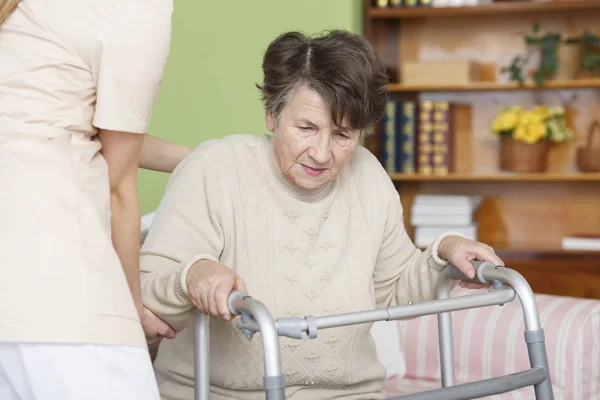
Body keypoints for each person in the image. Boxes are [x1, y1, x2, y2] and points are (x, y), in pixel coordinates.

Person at [139, 30, 504, 400]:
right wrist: (195, 274)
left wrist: (445, 252)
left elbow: (394, 292)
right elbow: (148, 291)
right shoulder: (214, 168)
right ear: (271, 112)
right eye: (306, 128)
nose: (321, 154)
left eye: (343, 135)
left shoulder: (368, 176)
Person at [0, 0, 188, 399]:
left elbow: (72, 125)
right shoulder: (138, 9)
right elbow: (119, 186)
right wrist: (132, 308)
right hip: (54, 279)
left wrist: (202, 159)